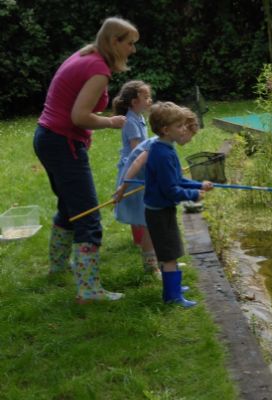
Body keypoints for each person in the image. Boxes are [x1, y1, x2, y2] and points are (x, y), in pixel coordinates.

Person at [33, 17, 139, 303]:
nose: (132, 49)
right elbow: (79, 116)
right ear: (114, 41)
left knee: (70, 207)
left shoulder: (85, 54)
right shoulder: (98, 69)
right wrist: (112, 122)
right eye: (129, 43)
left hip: (48, 137)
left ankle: (57, 267)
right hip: (61, 142)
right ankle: (89, 290)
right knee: (88, 216)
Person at [114, 107, 200, 277]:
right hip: (136, 183)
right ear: (169, 130)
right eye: (185, 133)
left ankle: (166, 261)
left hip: (150, 183)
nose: (188, 139)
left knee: (154, 227)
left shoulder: (166, 145)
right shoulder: (155, 145)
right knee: (149, 226)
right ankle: (151, 265)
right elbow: (137, 162)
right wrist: (123, 187)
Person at [143, 102, 213, 307]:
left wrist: (198, 184)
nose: (184, 129)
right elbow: (171, 190)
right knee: (170, 255)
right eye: (180, 126)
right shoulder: (163, 154)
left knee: (170, 252)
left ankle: (173, 287)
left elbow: (176, 180)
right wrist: (194, 194)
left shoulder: (163, 147)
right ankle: (172, 297)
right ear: (166, 130)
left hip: (161, 210)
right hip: (159, 213)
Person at [112, 80, 152, 250]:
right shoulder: (130, 121)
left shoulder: (139, 117)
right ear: (135, 102)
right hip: (134, 167)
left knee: (139, 201)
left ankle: (141, 238)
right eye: (146, 97)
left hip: (140, 163)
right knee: (137, 202)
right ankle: (141, 239)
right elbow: (137, 149)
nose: (150, 100)